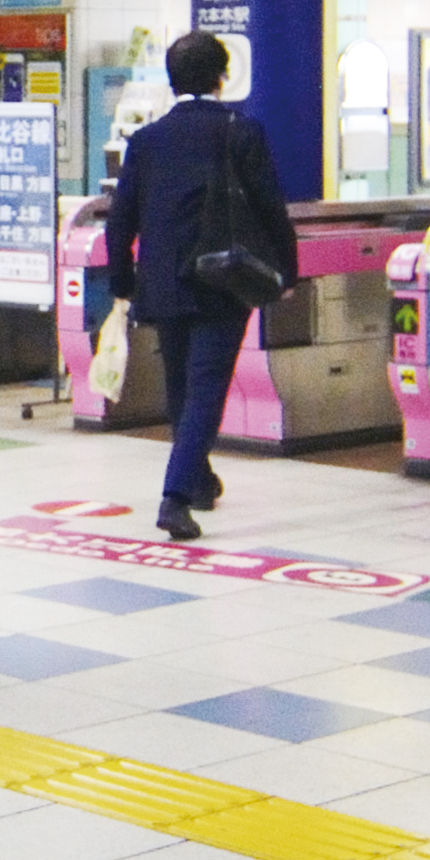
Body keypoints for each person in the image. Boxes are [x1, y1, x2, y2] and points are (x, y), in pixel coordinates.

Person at [104, 31, 300, 542]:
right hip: (223, 280)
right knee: (206, 390)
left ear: (171, 80)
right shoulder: (241, 130)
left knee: (181, 388)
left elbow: (119, 221)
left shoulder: (145, 142)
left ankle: (200, 481)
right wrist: (287, 273)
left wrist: (123, 282)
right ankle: (174, 499)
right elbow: (270, 210)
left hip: (162, 284)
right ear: (221, 75)